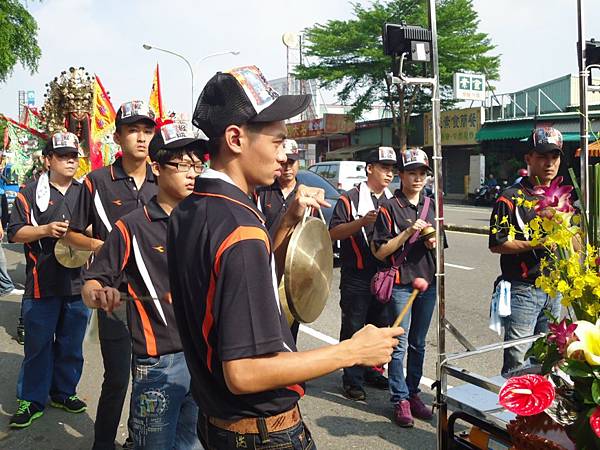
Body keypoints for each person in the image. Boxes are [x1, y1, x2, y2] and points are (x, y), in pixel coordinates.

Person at [167, 65, 403, 450]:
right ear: (235, 138)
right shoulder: (238, 227)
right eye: (277, 142)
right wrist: (351, 351)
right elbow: (243, 373)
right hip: (261, 433)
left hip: (217, 423)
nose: (284, 155)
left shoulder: (193, 209)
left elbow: (240, 288)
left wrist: (284, 226)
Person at [82, 121, 206, 450]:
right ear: (157, 169)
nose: (192, 173)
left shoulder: (206, 220)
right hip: (158, 365)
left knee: (191, 443)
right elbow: (93, 280)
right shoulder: (133, 227)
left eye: (197, 164)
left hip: (203, 356)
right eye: (182, 165)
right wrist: (99, 293)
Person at [65, 100, 157, 450]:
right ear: (118, 136)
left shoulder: (160, 181)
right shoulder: (98, 181)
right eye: (133, 130)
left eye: (147, 131)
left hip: (154, 300)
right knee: (117, 378)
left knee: (150, 379)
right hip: (113, 297)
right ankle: (102, 444)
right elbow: (72, 234)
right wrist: (106, 246)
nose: (141, 138)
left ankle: (140, 439)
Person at [7, 132, 90, 429]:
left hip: (80, 283)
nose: (70, 160)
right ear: (48, 160)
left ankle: (64, 392)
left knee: (71, 344)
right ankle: (30, 399)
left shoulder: (86, 192)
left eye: (74, 155)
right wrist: (44, 230)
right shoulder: (30, 192)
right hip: (41, 283)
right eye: (63, 155)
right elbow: (14, 232)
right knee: (38, 346)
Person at [371, 148, 440, 428]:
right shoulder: (389, 207)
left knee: (419, 344)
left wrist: (431, 242)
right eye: (412, 173)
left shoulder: (431, 205)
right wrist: (408, 233)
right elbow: (379, 252)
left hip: (428, 282)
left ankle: (413, 393)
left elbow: (439, 245)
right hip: (401, 283)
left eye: (422, 173)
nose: (417, 178)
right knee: (398, 346)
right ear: (401, 175)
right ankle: (399, 398)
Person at [489, 127, 562, 376]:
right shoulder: (510, 198)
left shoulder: (564, 199)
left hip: (555, 289)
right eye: (542, 157)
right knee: (517, 358)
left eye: (554, 157)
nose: (549, 163)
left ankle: (540, 411)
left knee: (549, 357)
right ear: (529, 159)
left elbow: (575, 244)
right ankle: (515, 411)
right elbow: (496, 243)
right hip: (523, 289)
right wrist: (536, 243)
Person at [329, 147, 396, 401]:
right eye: (384, 168)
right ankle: (352, 378)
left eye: (392, 169)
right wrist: (361, 222)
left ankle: (373, 370)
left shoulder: (393, 200)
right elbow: (333, 233)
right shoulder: (349, 199)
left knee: (379, 325)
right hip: (356, 273)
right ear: (370, 168)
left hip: (384, 274)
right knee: (354, 326)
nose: (389, 174)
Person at [256, 138, 303, 340]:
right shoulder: (261, 192)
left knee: (291, 325)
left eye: (291, 163)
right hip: (267, 266)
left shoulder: (305, 195)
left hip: (294, 269)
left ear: (298, 164)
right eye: (283, 163)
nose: (287, 168)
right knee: (266, 320)